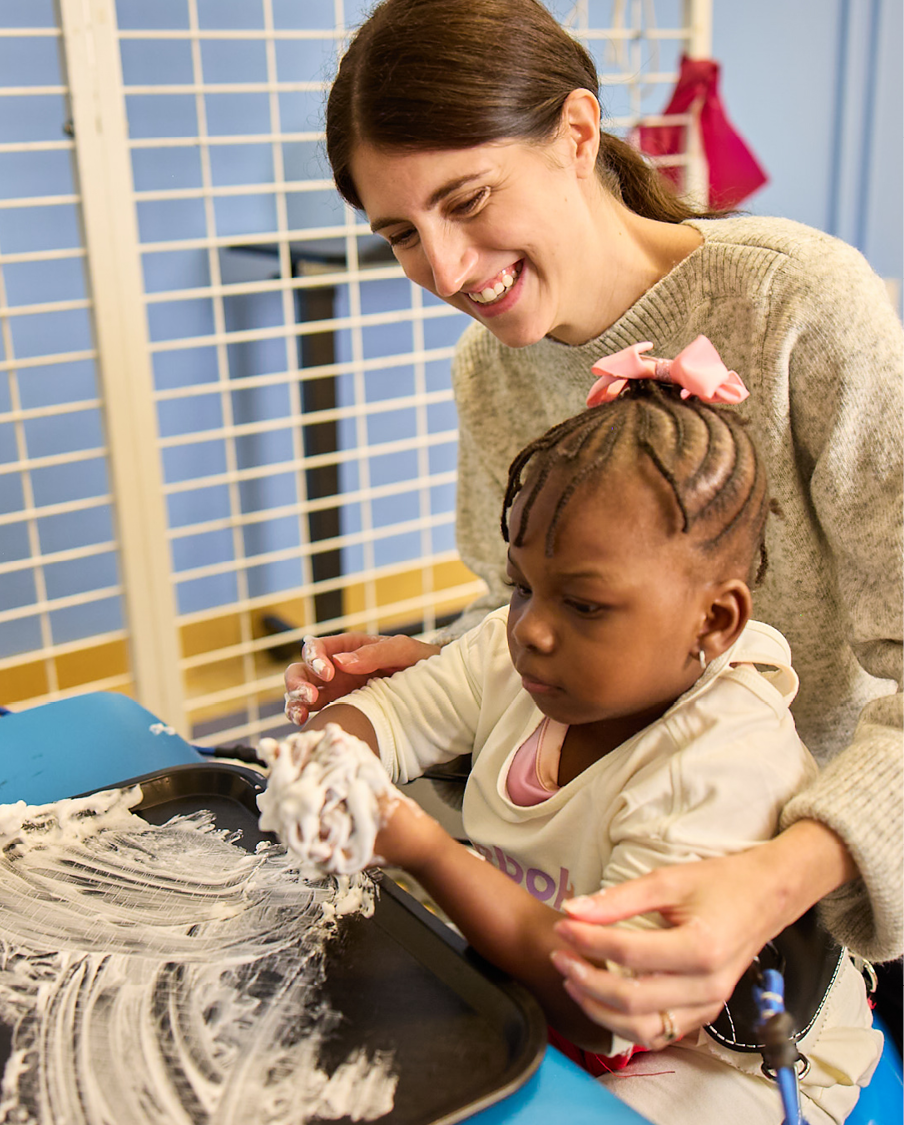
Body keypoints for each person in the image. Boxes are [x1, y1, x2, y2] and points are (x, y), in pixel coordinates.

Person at [284, 0, 903, 1051]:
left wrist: (772, 875)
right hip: (616, 882)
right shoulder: (491, 371)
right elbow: (528, 608)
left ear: (577, 133)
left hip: (820, 892)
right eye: (400, 233)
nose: (441, 269)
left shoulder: (801, 305)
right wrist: (445, 663)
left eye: (466, 199)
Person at [274, 360, 882, 1125]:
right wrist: (328, 764)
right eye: (522, 583)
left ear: (715, 622)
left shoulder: (718, 763)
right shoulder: (516, 649)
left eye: (585, 604)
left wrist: (427, 850)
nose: (530, 626)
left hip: (734, 1053)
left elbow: (602, 1003)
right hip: (543, 984)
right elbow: (387, 715)